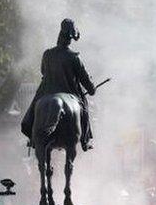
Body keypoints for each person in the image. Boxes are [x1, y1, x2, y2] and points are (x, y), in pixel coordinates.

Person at [20, 19, 98, 150]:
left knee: (33, 110)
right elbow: (88, 84)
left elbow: (43, 72)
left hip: (47, 91)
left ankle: (32, 138)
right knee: (84, 110)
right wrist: (92, 87)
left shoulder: (47, 54)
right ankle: (85, 140)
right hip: (69, 93)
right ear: (71, 38)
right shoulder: (75, 57)